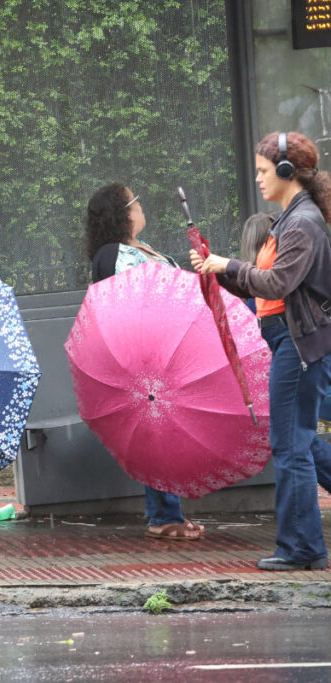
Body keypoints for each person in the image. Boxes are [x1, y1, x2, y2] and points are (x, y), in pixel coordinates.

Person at [192, 131, 331, 571]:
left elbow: (277, 284)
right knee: (296, 445)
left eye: (263, 170)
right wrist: (220, 271)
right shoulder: (288, 219)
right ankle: (301, 545)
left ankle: (302, 548)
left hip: (299, 346)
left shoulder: (303, 223)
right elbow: (263, 289)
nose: (257, 178)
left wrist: (229, 265)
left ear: (288, 172)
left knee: (290, 446)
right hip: (288, 342)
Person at [85, 183, 204, 541]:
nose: (141, 205)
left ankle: (170, 512)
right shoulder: (112, 255)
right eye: (135, 200)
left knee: (166, 433)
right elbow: (129, 304)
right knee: (157, 433)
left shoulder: (138, 249)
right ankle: (163, 516)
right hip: (145, 356)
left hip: (169, 352)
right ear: (124, 212)